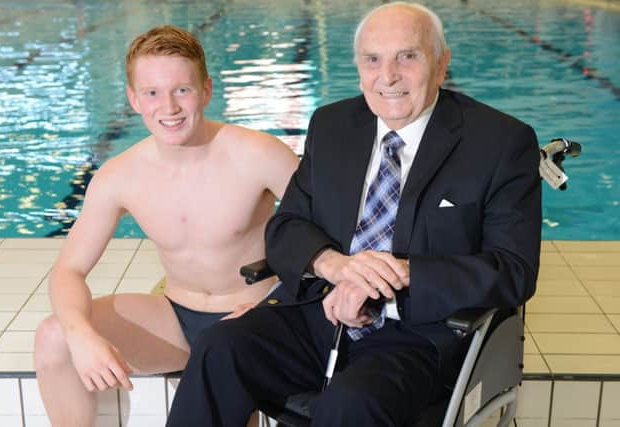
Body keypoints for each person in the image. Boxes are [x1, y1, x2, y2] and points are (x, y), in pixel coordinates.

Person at [166, 2, 541, 426]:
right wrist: (336, 266)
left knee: (348, 405)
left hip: (417, 335)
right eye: (373, 60)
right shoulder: (333, 126)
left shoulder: (499, 143)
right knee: (220, 346)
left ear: (441, 63)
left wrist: (395, 273)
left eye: (408, 56)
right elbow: (287, 227)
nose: (388, 76)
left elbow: (513, 271)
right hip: (320, 314)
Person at [33, 25, 299, 427]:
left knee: (225, 361)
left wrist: (275, 305)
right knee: (54, 337)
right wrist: (80, 334)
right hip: (177, 316)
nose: (169, 107)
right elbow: (68, 270)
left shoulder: (258, 155)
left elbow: (331, 237)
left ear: (206, 90)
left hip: (257, 316)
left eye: (182, 90)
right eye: (153, 93)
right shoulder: (120, 175)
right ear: (133, 99)